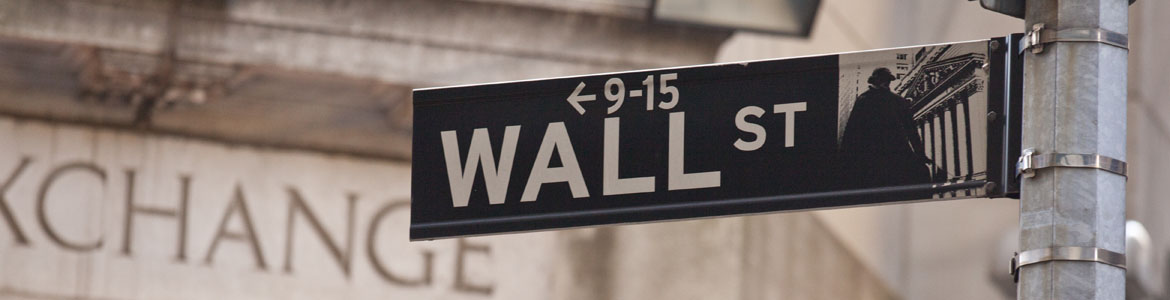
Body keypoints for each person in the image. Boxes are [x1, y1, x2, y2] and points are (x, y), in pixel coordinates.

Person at [840, 68, 933, 188]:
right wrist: (847, 157)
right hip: (873, 152)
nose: (886, 83)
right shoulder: (864, 100)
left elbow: (911, 130)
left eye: (888, 80)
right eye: (883, 80)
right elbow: (852, 131)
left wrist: (920, 154)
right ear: (875, 81)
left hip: (895, 150)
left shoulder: (897, 100)